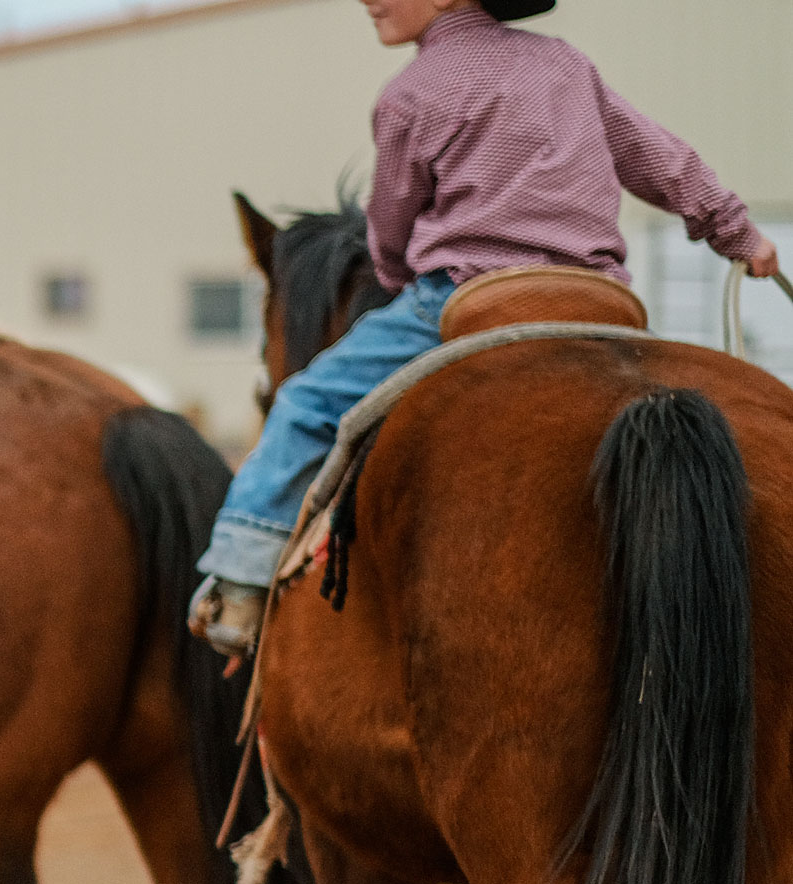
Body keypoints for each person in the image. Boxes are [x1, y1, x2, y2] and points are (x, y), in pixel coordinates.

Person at [189, 0, 780, 657]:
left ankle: (238, 579)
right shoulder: (565, 66)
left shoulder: (409, 93)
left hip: (472, 297)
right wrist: (737, 233)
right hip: (595, 303)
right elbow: (658, 160)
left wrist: (390, 268)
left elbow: (389, 226)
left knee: (305, 401)